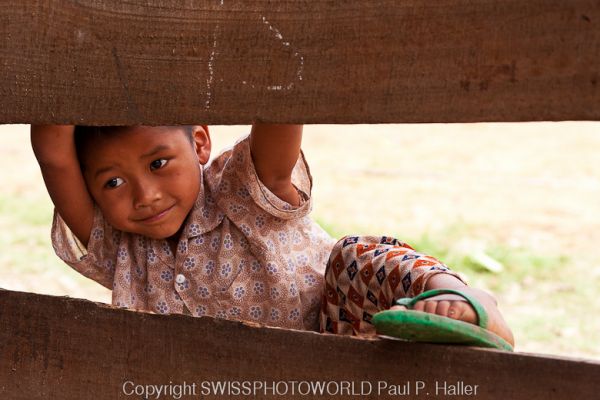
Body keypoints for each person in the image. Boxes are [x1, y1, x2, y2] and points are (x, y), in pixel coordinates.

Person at [31, 124, 514, 346]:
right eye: (112, 182)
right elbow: (53, 149)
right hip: (221, 383)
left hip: (342, 333)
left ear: (199, 142)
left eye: (160, 163)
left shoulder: (237, 190)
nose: (145, 194)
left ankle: (466, 300)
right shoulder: (114, 247)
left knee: (354, 255)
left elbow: (280, 115)